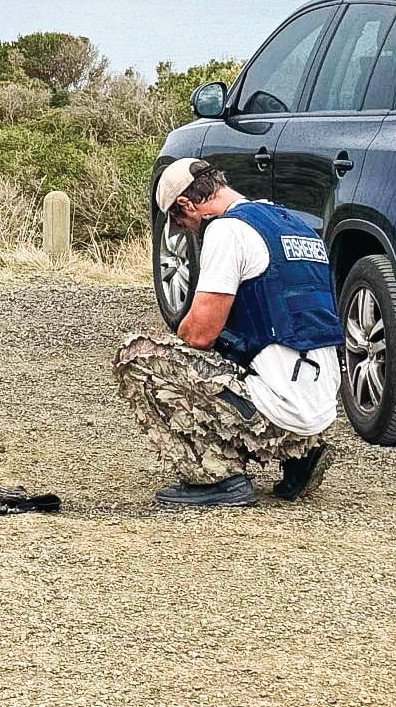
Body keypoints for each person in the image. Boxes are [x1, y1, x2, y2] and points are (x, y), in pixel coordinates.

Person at [113, 158, 344, 508]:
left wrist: (181, 338)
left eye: (180, 223)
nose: (188, 232)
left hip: (280, 408)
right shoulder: (294, 224)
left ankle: (218, 477)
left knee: (137, 357)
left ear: (186, 205)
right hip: (322, 405)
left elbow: (200, 335)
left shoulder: (226, 230)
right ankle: (300, 453)